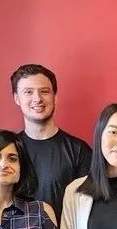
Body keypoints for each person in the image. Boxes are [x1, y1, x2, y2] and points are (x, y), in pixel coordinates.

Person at [11, 64, 92, 216]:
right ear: (17, 98)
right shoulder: (8, 149)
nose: (37, 99)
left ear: (55, 97)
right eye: (28, 92)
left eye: (44, 91)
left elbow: (87, 207)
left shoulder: (79, 150)